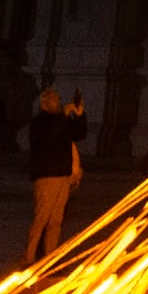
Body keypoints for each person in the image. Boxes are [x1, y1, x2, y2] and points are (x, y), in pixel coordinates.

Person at [25, 86, 89, 263]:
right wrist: (63, 117)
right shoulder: (38, 122)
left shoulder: (61, 120)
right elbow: (48, 139)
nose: (59, 102)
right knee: (41, 219)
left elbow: (79, 134)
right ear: (44, 103)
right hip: (46, 175)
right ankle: (29, 257)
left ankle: (49, 256)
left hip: (62, 174)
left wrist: (80, 115)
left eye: (59, 98)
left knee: (56, 220)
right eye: (54, 99)